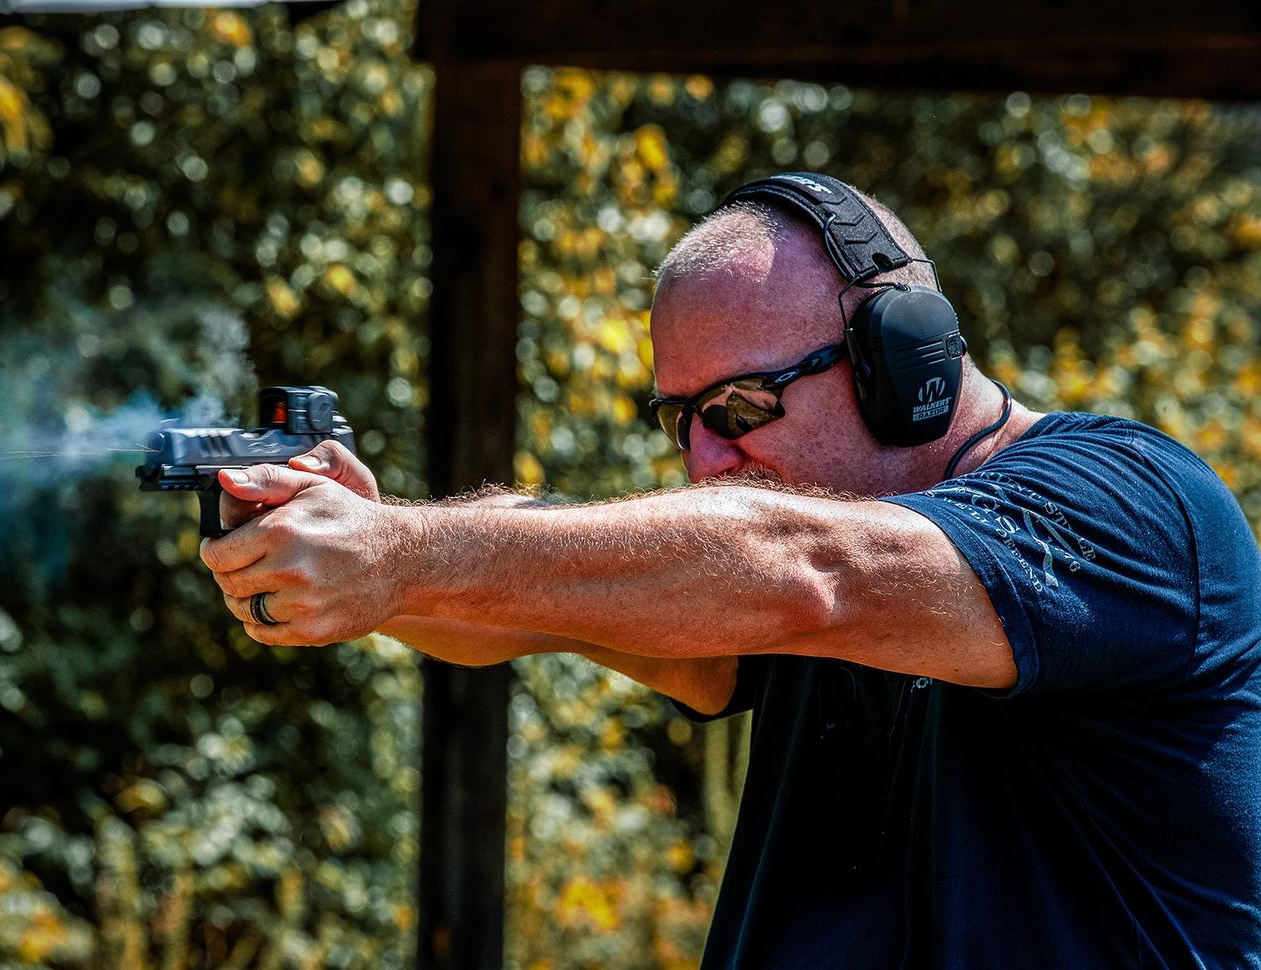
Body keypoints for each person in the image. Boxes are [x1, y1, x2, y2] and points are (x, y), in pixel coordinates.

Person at [199, 173, 1261, 967]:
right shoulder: (819, 551)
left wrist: (399, 555)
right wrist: (374, 552)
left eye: (739, 409)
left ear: (908, 365)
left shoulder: (1131, 502)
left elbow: (802, 571)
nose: (707, 459)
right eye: (680, 421)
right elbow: (556, 610)